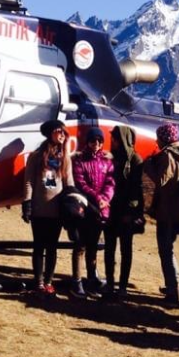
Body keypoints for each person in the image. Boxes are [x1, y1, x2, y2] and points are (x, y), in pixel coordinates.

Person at [143, 122, 179, 305]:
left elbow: (162, 180)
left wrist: (149, 165)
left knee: (165, 249)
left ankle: (173, 290)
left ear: (163, 138)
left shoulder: (167, 155)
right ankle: (173, 283)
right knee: (169, 247)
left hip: (167, 208)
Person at [22, 119, 73, 296]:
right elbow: (29, 180)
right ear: (50, 133)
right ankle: (39, 282)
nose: (62, 135)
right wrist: (27, 203)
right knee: (39, 246)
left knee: (52, 247)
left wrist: (70, 204)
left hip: (56, 210)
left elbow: (69, 183)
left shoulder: (65, 157)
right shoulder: (37, 156)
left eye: (64, 132)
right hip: (39, 208)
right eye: (59, 131)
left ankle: (49, 282)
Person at [71, 127, 115, 298]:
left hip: (100, 211)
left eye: (99, 141)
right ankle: (77, 281)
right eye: (92, 141)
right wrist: (98, 198)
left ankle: (91, 281)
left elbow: (110, 183)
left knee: (93, 247)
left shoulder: (107, 162)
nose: (96, 144)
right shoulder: (80, 161)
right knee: (80, 245)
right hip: (85, 208)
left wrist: (106, 199)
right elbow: (80, 183)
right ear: (87, 142)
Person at [103, 125, 145, 301]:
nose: (113, 141)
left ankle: (122, 286)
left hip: (127, 213)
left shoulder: (135, 160)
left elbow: (136, 188)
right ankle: (110, 283)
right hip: (111, 210)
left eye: (116, 138)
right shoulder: (110, 158)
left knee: (125, 250)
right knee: (109, 248)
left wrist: (132, 210)